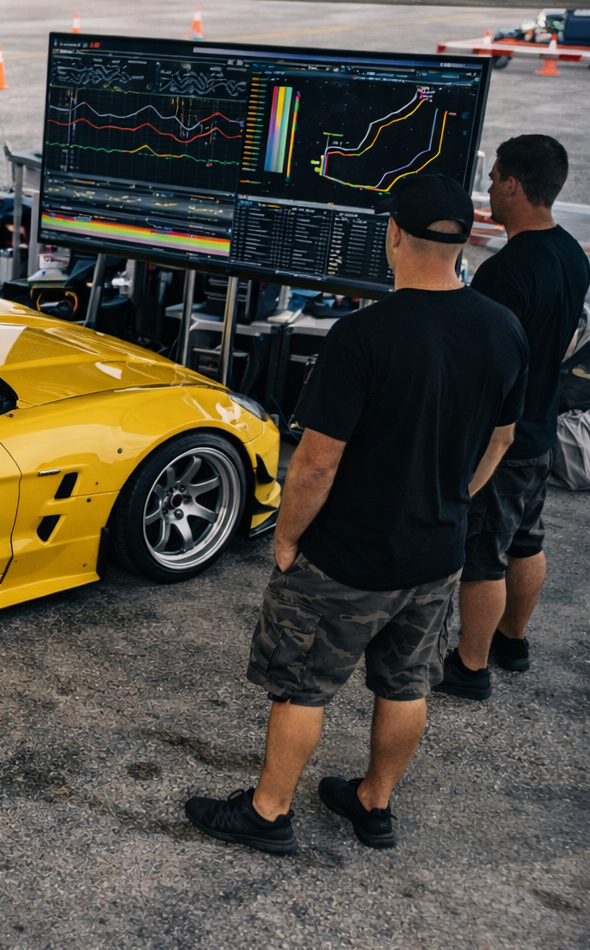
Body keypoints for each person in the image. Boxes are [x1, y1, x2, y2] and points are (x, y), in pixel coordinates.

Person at [185, 175, 528, 854]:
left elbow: (315, 463)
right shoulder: (502, 327)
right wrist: (455, 499)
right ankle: (374, 804)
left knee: (303, 687)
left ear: (393, 234)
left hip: (347, 557)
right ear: (463, 243)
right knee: (406, 684)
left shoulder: (363, 335)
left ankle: (269, 812)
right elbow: (503, 439)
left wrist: (285, 537)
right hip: (435, 554)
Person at [435, 136, 590, 699]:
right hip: (542, 425)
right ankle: (512, 643)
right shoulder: (572, 253)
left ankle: (470, 667)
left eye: (495, 177)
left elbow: (488, 366)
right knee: (526, 540)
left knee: (483, 554)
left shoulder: (505, 272)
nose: (490, 189)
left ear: (514, 186)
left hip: (504, 438)